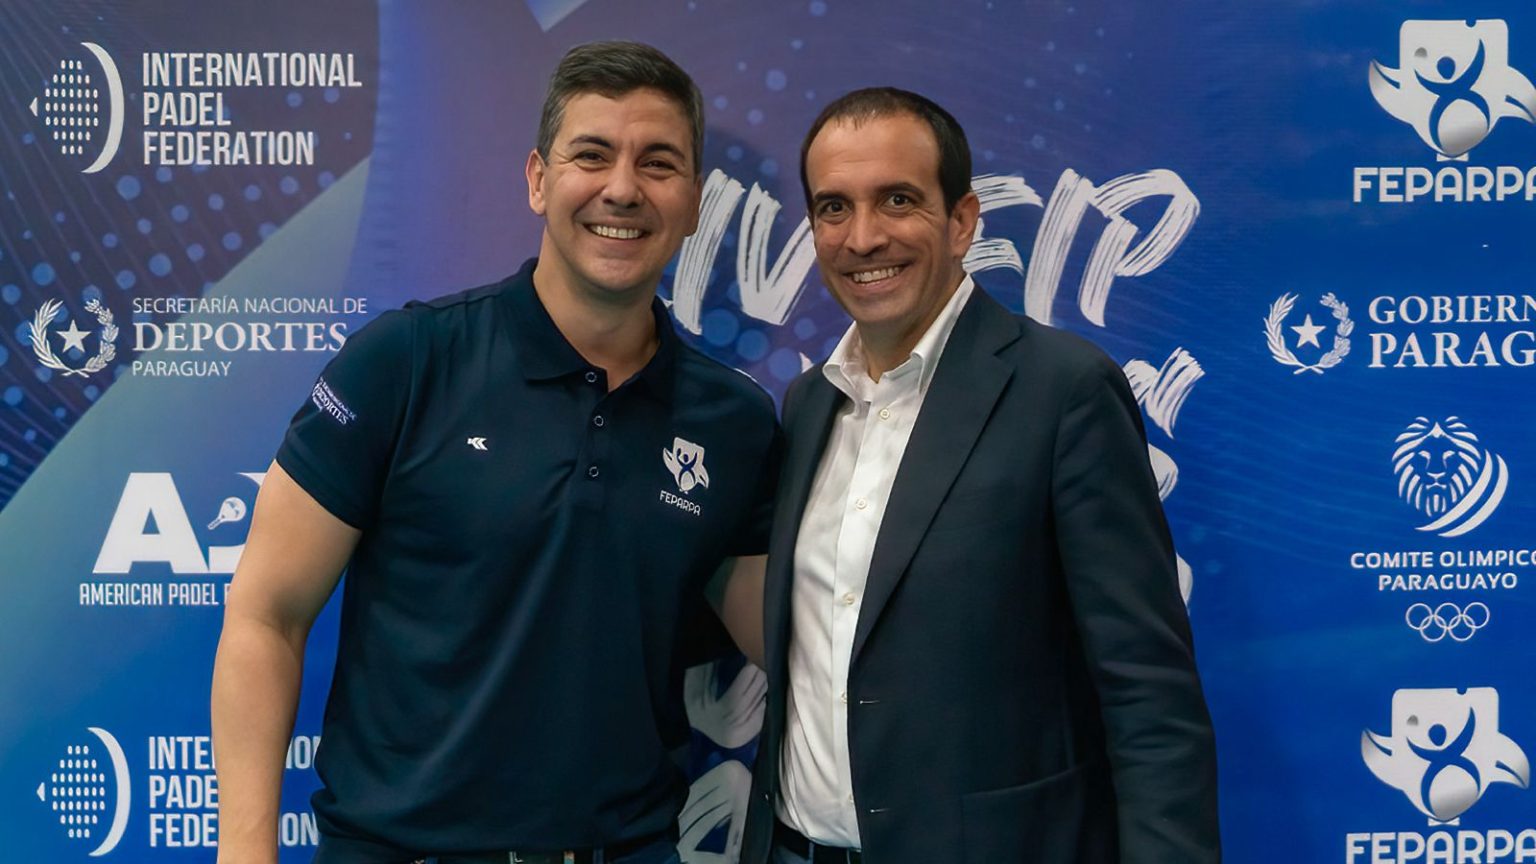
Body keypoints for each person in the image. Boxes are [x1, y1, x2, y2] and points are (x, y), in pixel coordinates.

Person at [211, 41, 777, 864]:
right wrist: (244, 851)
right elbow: (267, 614)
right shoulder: (407, 361)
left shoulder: (734, 422)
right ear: (539, 180)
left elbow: (788, 642)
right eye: (592, 155)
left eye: (659, 164)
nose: (623, 188)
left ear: (693, 202)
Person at [739, 87, 1220, 863]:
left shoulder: (1062, 391)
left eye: (897, 200)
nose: (863, 237)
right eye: (834, 208)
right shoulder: (808, 404)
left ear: (962, 221)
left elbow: (1148, 693)